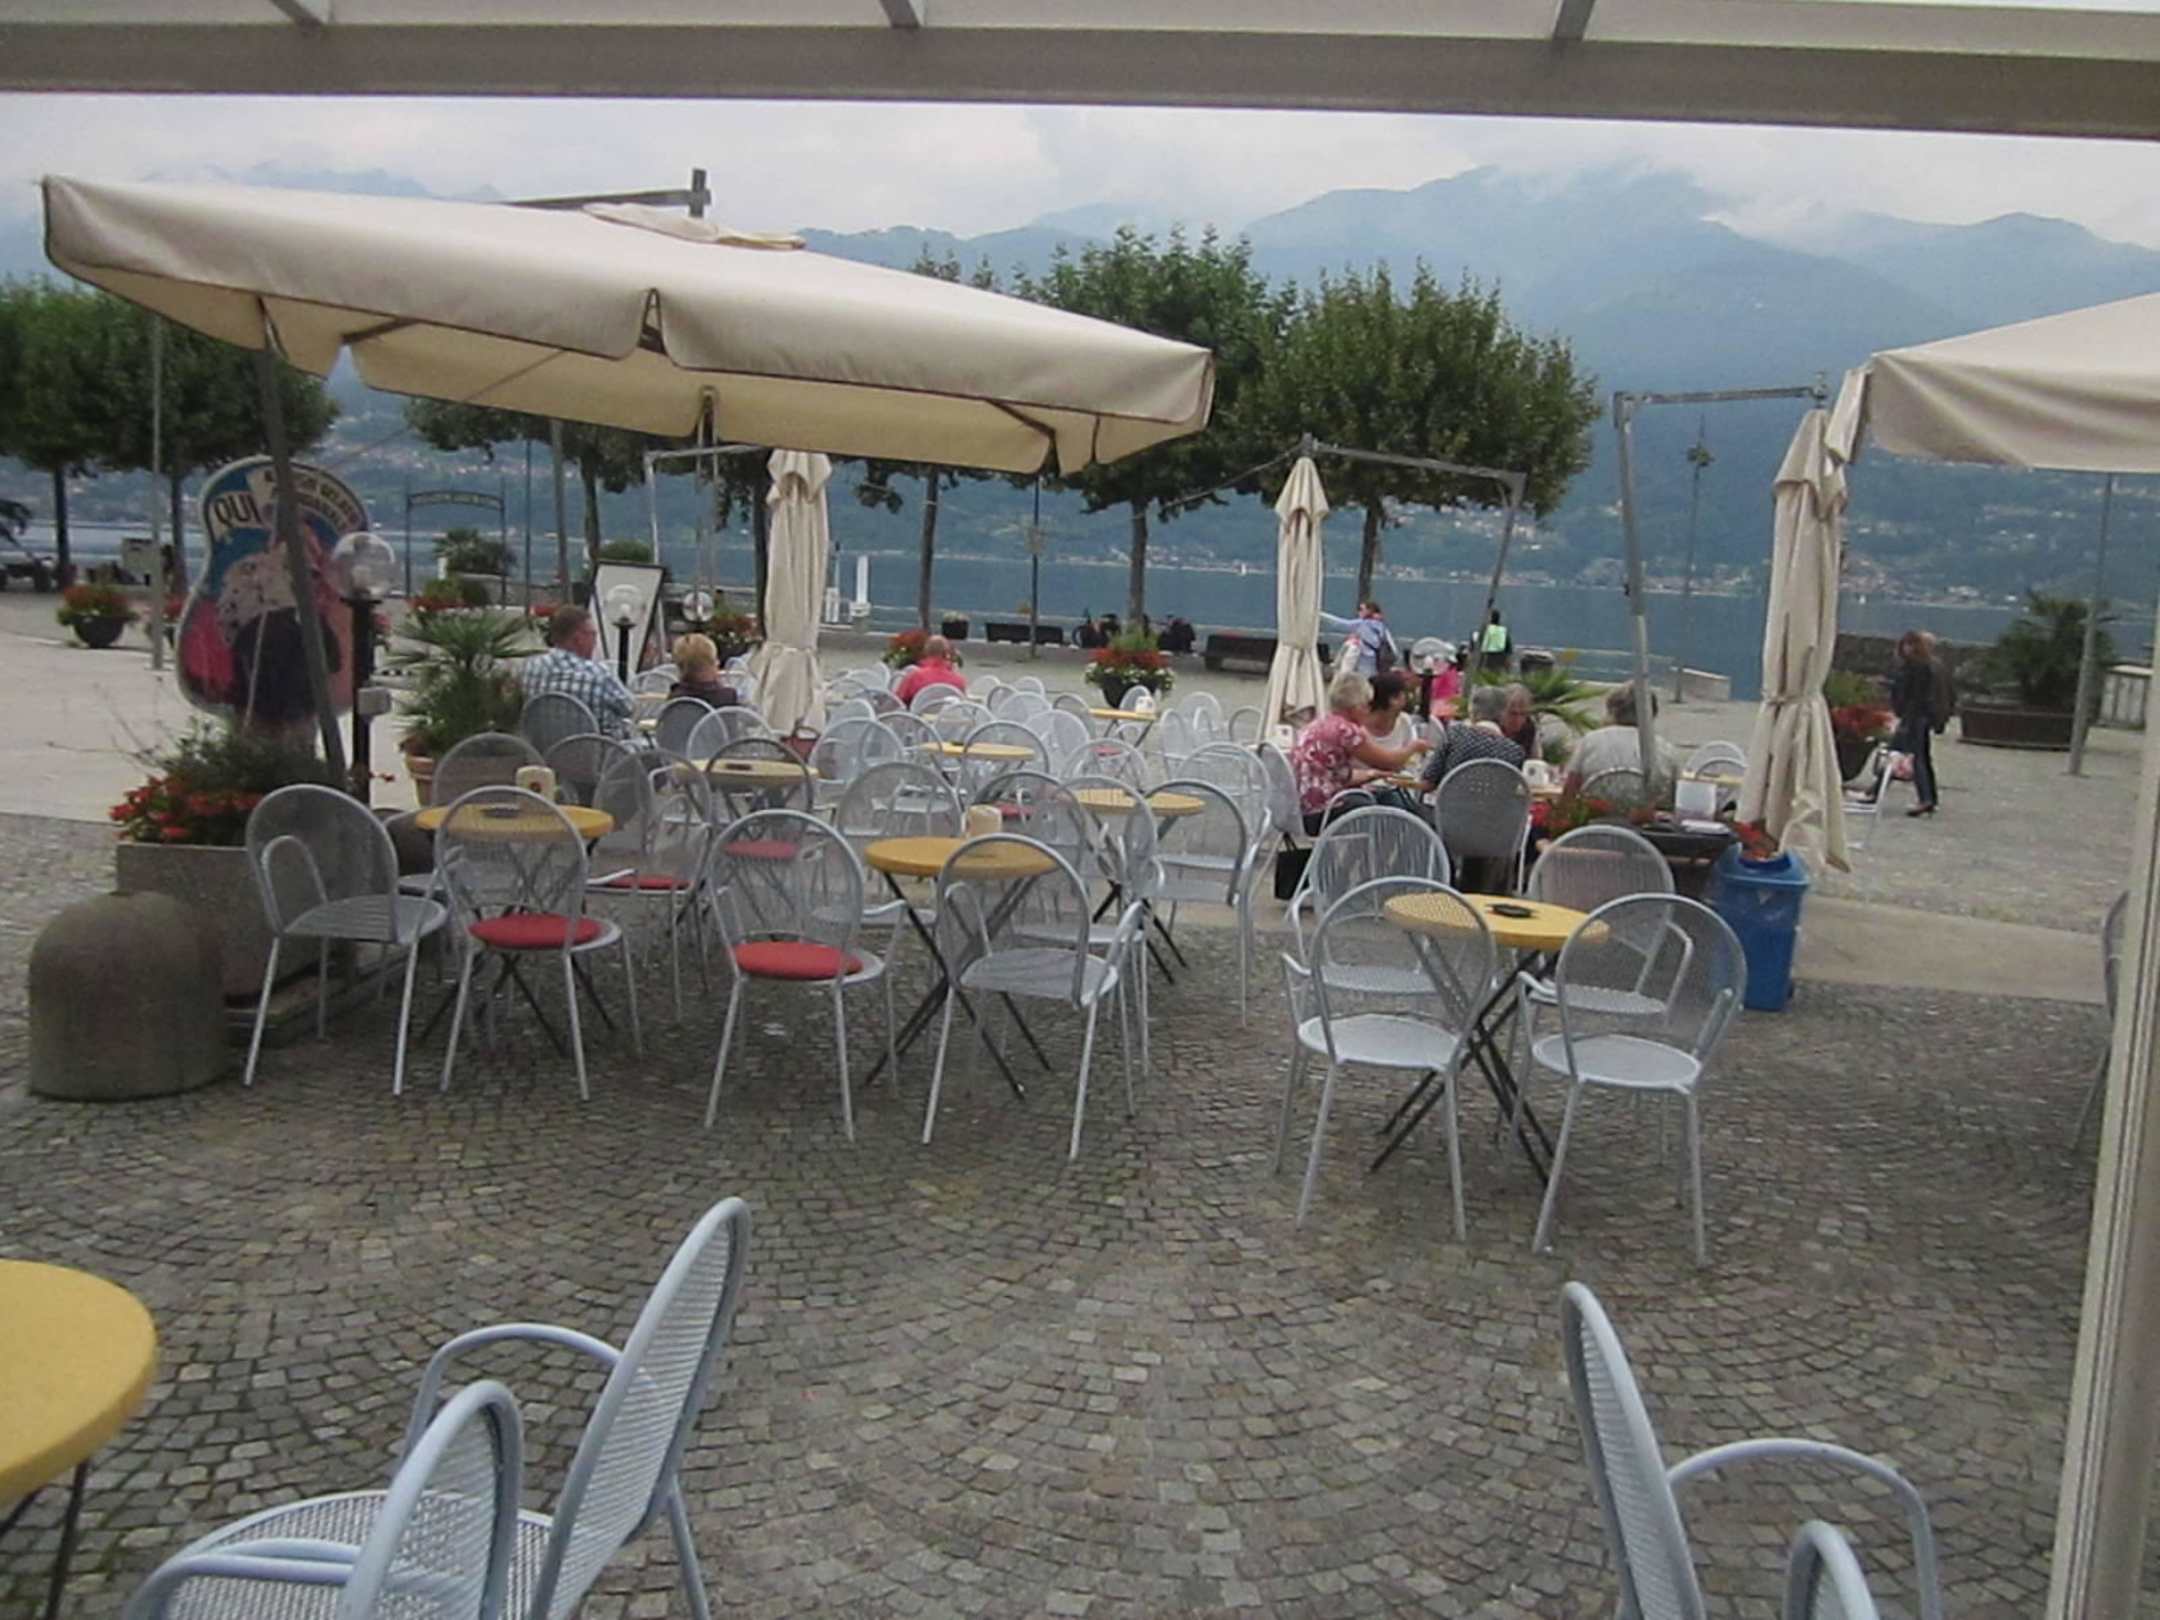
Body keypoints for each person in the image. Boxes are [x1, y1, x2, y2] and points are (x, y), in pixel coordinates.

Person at [1290, 670, 1433, 834]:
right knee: (1380, 812)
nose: (1368, 710)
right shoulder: (1346, 731)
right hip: (1323, 811)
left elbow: (1336, 775)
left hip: (1301, 809)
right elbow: (1390, 762)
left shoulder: (1321, 723)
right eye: (1366, 705)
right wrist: (1414, 747)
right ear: (1355, 707)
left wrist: (1373, 774)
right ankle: (1378, 848)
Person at [522, 604, 636, 738]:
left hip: (543, 747)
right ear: (578, 639)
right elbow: (630, 708)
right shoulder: (598, 674)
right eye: (593, 635)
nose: (595, 642)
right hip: (600, 748)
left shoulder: (531, 667)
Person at [1565, 684, 1678, 792]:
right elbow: (1675, 791)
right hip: (1649, 805)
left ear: (1612, 711)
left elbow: (1571, 785)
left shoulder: (1590, 741)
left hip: (1595, 804)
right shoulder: (1666, 749)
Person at [1418, 683, 1527, 790]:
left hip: (1451, 801)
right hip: (1494, 803)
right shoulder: (1515, 752)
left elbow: (1427, 783)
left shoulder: (1455, 735)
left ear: (1472, 711)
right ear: (1503, 715)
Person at [1890, 628, 1946, 816]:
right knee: (1920, 757)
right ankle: (1929, 798)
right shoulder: (1925, 665)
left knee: (1911, 757)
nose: (1906, 648)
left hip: (1915, 717)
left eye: (1909, 644)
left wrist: (1907, 717)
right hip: (1919, 717)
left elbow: (1916, 696)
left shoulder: (1918, 667)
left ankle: (1925, 798)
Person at [1318, 599, 1399, 678]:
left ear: (1369, 611)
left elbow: (1339, 624)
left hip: (1364, 663)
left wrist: (1320, 614)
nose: (1359, 612)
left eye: (1361, 609)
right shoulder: (1382, 627)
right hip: (1378, 665)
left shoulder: (1361, 624)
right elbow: (1393, 649)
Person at [894, 633, 969, 706]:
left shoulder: (915, 677)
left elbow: (897, 700)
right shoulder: (959, 681)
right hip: (946, 714)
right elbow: (961, 704)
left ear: (926, 652)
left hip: (918, 713)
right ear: (946, 653)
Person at [668, 633, 740, 708]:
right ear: (711, 664)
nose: (718, 663)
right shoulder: (727, 697)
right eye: (715, 659)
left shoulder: (674, 698)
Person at [1501, 683, 1540, 760]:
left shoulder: (1529, 728)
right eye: (1513, 713)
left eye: (1523, 714)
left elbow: (1535, 758)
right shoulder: (1491, 727)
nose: (1518, 720)